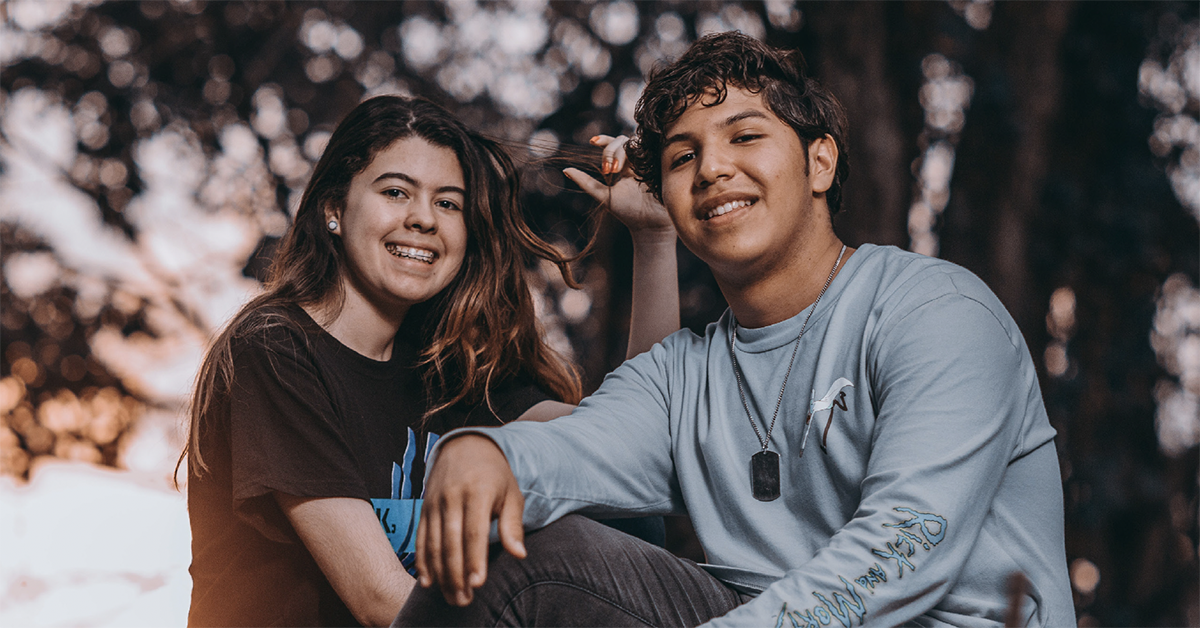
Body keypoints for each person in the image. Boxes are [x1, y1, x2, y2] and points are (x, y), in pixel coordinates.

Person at [399, 32, 1075, 628]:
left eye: (746, 136)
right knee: (517, 557)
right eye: (683, 157)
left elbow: (901, 548)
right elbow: (573, 451)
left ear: (821, 163)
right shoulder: (678, 377)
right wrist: (486, 456)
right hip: (753, 612)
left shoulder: (937, 312)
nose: (713, 169)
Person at [182, 95, 678, 628]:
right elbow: (382, 602)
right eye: (395, 192)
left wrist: (655, 239)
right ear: (333, 210)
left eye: (448, 203)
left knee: (631, 517)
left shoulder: (449, 369)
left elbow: (632, 448)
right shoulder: (274, 350)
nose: (422, 219)